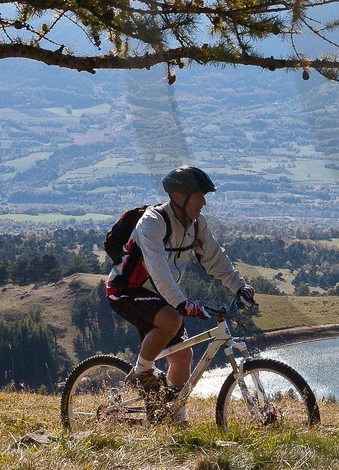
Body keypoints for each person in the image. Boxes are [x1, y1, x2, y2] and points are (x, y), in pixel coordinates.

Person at [106, 166, 255, 412]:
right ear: (178, 197)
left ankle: (169, 414)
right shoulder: (153, 222)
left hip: (160, 295)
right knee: (171, 319)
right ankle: (141, 371)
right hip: (126, 290)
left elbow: (215, 259)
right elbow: (158, 270)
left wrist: (240, 287)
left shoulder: (196, 224)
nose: (204, 203)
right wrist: (182, 303)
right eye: (199, 196)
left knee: (183, 358)